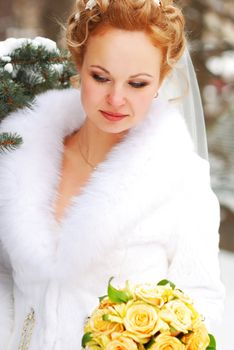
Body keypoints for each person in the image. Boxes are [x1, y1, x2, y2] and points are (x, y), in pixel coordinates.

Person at [0, 0, 224, 349]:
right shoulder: (18, 158)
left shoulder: (183, 182)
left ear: (162, 79)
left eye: (137, 83)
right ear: (79, 63)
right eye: (100, 77)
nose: (115, 98)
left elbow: (200, 308)